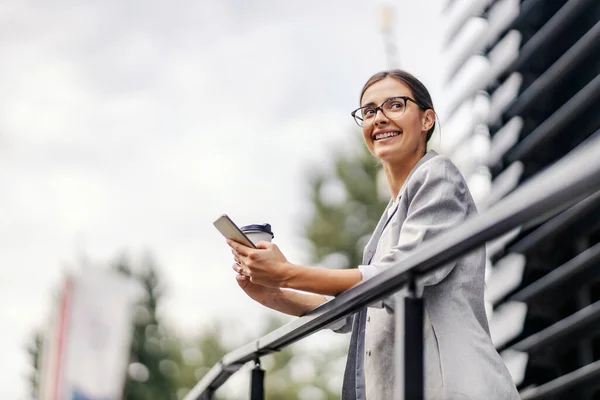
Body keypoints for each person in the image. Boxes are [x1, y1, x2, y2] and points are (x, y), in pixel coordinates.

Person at [227, 70, 520, 400]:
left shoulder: (438, 177)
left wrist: (287, 273)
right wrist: (273, 293)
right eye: (369, 111)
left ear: (427, 120)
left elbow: (397, 277)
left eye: (395, 105)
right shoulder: (390, 216)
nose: (379, 118)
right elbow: (361, 312)